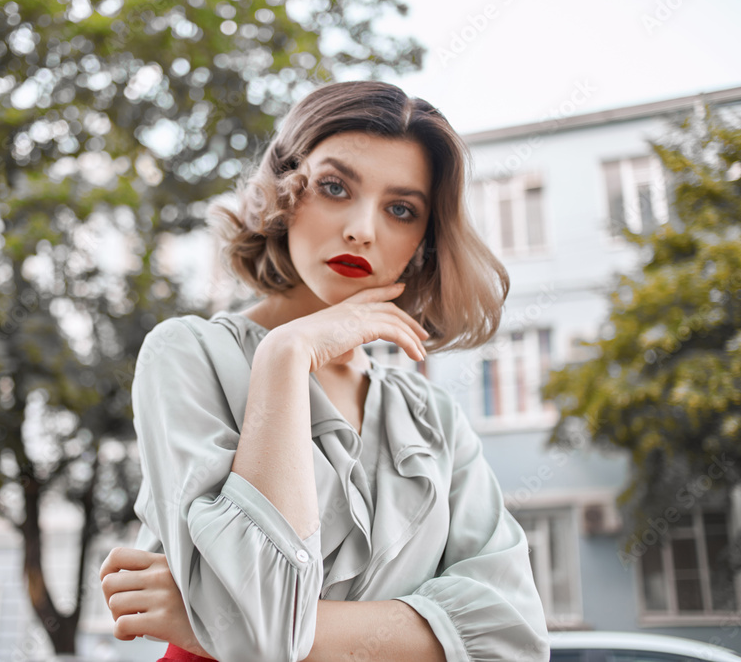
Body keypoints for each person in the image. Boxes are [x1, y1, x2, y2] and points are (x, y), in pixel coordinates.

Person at [99, 80, 550, 662]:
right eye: (335, 187)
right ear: (283, 194)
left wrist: (213, 617)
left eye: (401, 209)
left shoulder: (433, 418)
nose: (363, 227)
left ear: (422, 243)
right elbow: (262, 625)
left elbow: (513, 636)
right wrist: (286, 357)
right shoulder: (188, 354)